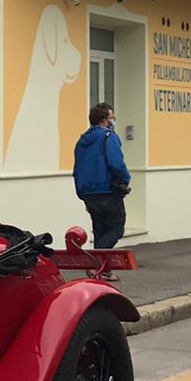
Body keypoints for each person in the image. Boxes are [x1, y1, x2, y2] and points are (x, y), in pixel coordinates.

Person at [72, 101, 130, 273]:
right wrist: (126, 179)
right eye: (112, 118)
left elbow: (77, 168)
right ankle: (93, 261)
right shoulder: (108, 137)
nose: (114, 121)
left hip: (87, 192)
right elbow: (116, 164)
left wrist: (81, 192)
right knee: (116, 229)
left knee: (100, 229)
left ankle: (102, 270)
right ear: (105, 120)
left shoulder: (82, 141)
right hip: (107, 191)